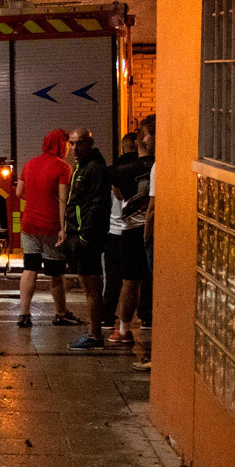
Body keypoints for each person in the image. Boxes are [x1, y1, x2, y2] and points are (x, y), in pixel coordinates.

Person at [16, 128, 81, 328]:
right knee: (55, 272)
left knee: (30, 268)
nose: (70, 148)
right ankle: (61, 313)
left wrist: (36, 200)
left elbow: (19, 192)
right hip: (51, 225)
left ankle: (24, 314)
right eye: (68, 144)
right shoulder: (63, 168)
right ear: (61, 145)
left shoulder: (29, 164)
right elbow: (63, 199)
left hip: (29, 224)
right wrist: (63, 227)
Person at [65, 128, 111, 351]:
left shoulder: (94, 168)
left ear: (89, 144)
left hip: (88, 237)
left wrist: (85, 236)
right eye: (71, 143)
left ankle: (94, 335)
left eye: (79, 143)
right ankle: (94, 333)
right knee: (88, 286)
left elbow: (96, 206)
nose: (74, 148)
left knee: (91, 287)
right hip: (83, 234)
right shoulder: (82, 167)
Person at [107, 130, 154, 347]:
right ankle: (150, 319)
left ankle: (124, 329)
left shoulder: (120, 170)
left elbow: (118, 195)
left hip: (132, 229)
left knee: (129, 281)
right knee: (152, 279)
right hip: (154, 228)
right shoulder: (159, 164)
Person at [102, 133, 140, 329]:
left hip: (113, 231)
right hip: (134, 230)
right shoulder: (144, 170)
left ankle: (107, 316)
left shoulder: (112, 172)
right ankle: (144, 317)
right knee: (134, 279)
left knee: (112, 278)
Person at [136, 115, 156, 371]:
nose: (145, 139)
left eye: (148, 134)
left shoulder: (156, 166)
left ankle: (156, 355)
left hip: (152, 237)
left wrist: (146, 236)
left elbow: (153, 208)